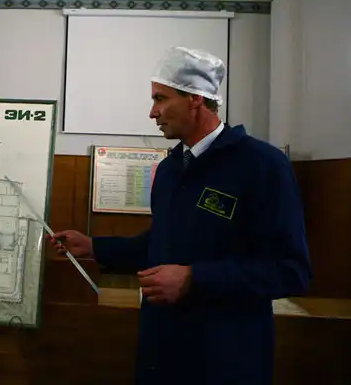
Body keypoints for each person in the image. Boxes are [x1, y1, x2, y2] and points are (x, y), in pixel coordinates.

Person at [47, 46, 312, 385]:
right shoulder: (170, 169)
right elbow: (160, 244)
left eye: (161, 99)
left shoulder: (263, 165)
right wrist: (93, 246)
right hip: (162, 354)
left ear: (195, 98)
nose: (152, 112)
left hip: (226, 360)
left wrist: (194, 278)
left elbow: (291, 271)